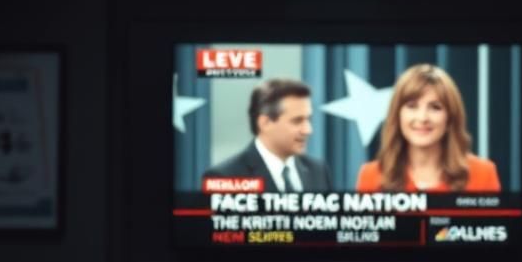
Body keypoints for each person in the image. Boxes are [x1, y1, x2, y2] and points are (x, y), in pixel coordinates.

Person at [355, 64, 501, 192]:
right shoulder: (371, 176)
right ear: (397, 115)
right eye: (412, 106)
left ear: (450, 118)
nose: (422, 118)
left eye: (435, 108)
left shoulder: (483, 174)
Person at [203, 78, 331, 192]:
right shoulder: (224, 178)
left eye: (308, 119)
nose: (308, 130)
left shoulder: (318, 171)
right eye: (297, 121)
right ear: (265, 123)